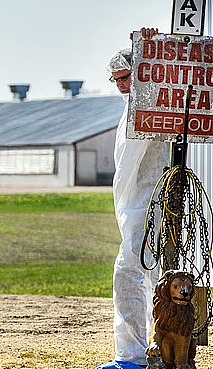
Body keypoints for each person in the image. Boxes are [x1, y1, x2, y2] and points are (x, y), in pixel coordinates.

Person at [96, 28, 170, 369]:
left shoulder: (152, 99)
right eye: (117, 81)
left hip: (149, 204)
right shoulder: (132, 107)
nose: (123, 86)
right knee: (160, 277)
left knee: (129, 273)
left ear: (141, 71)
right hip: (138, 206)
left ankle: (133, 356)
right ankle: (165, 351)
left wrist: (151, 48)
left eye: (126, 77)